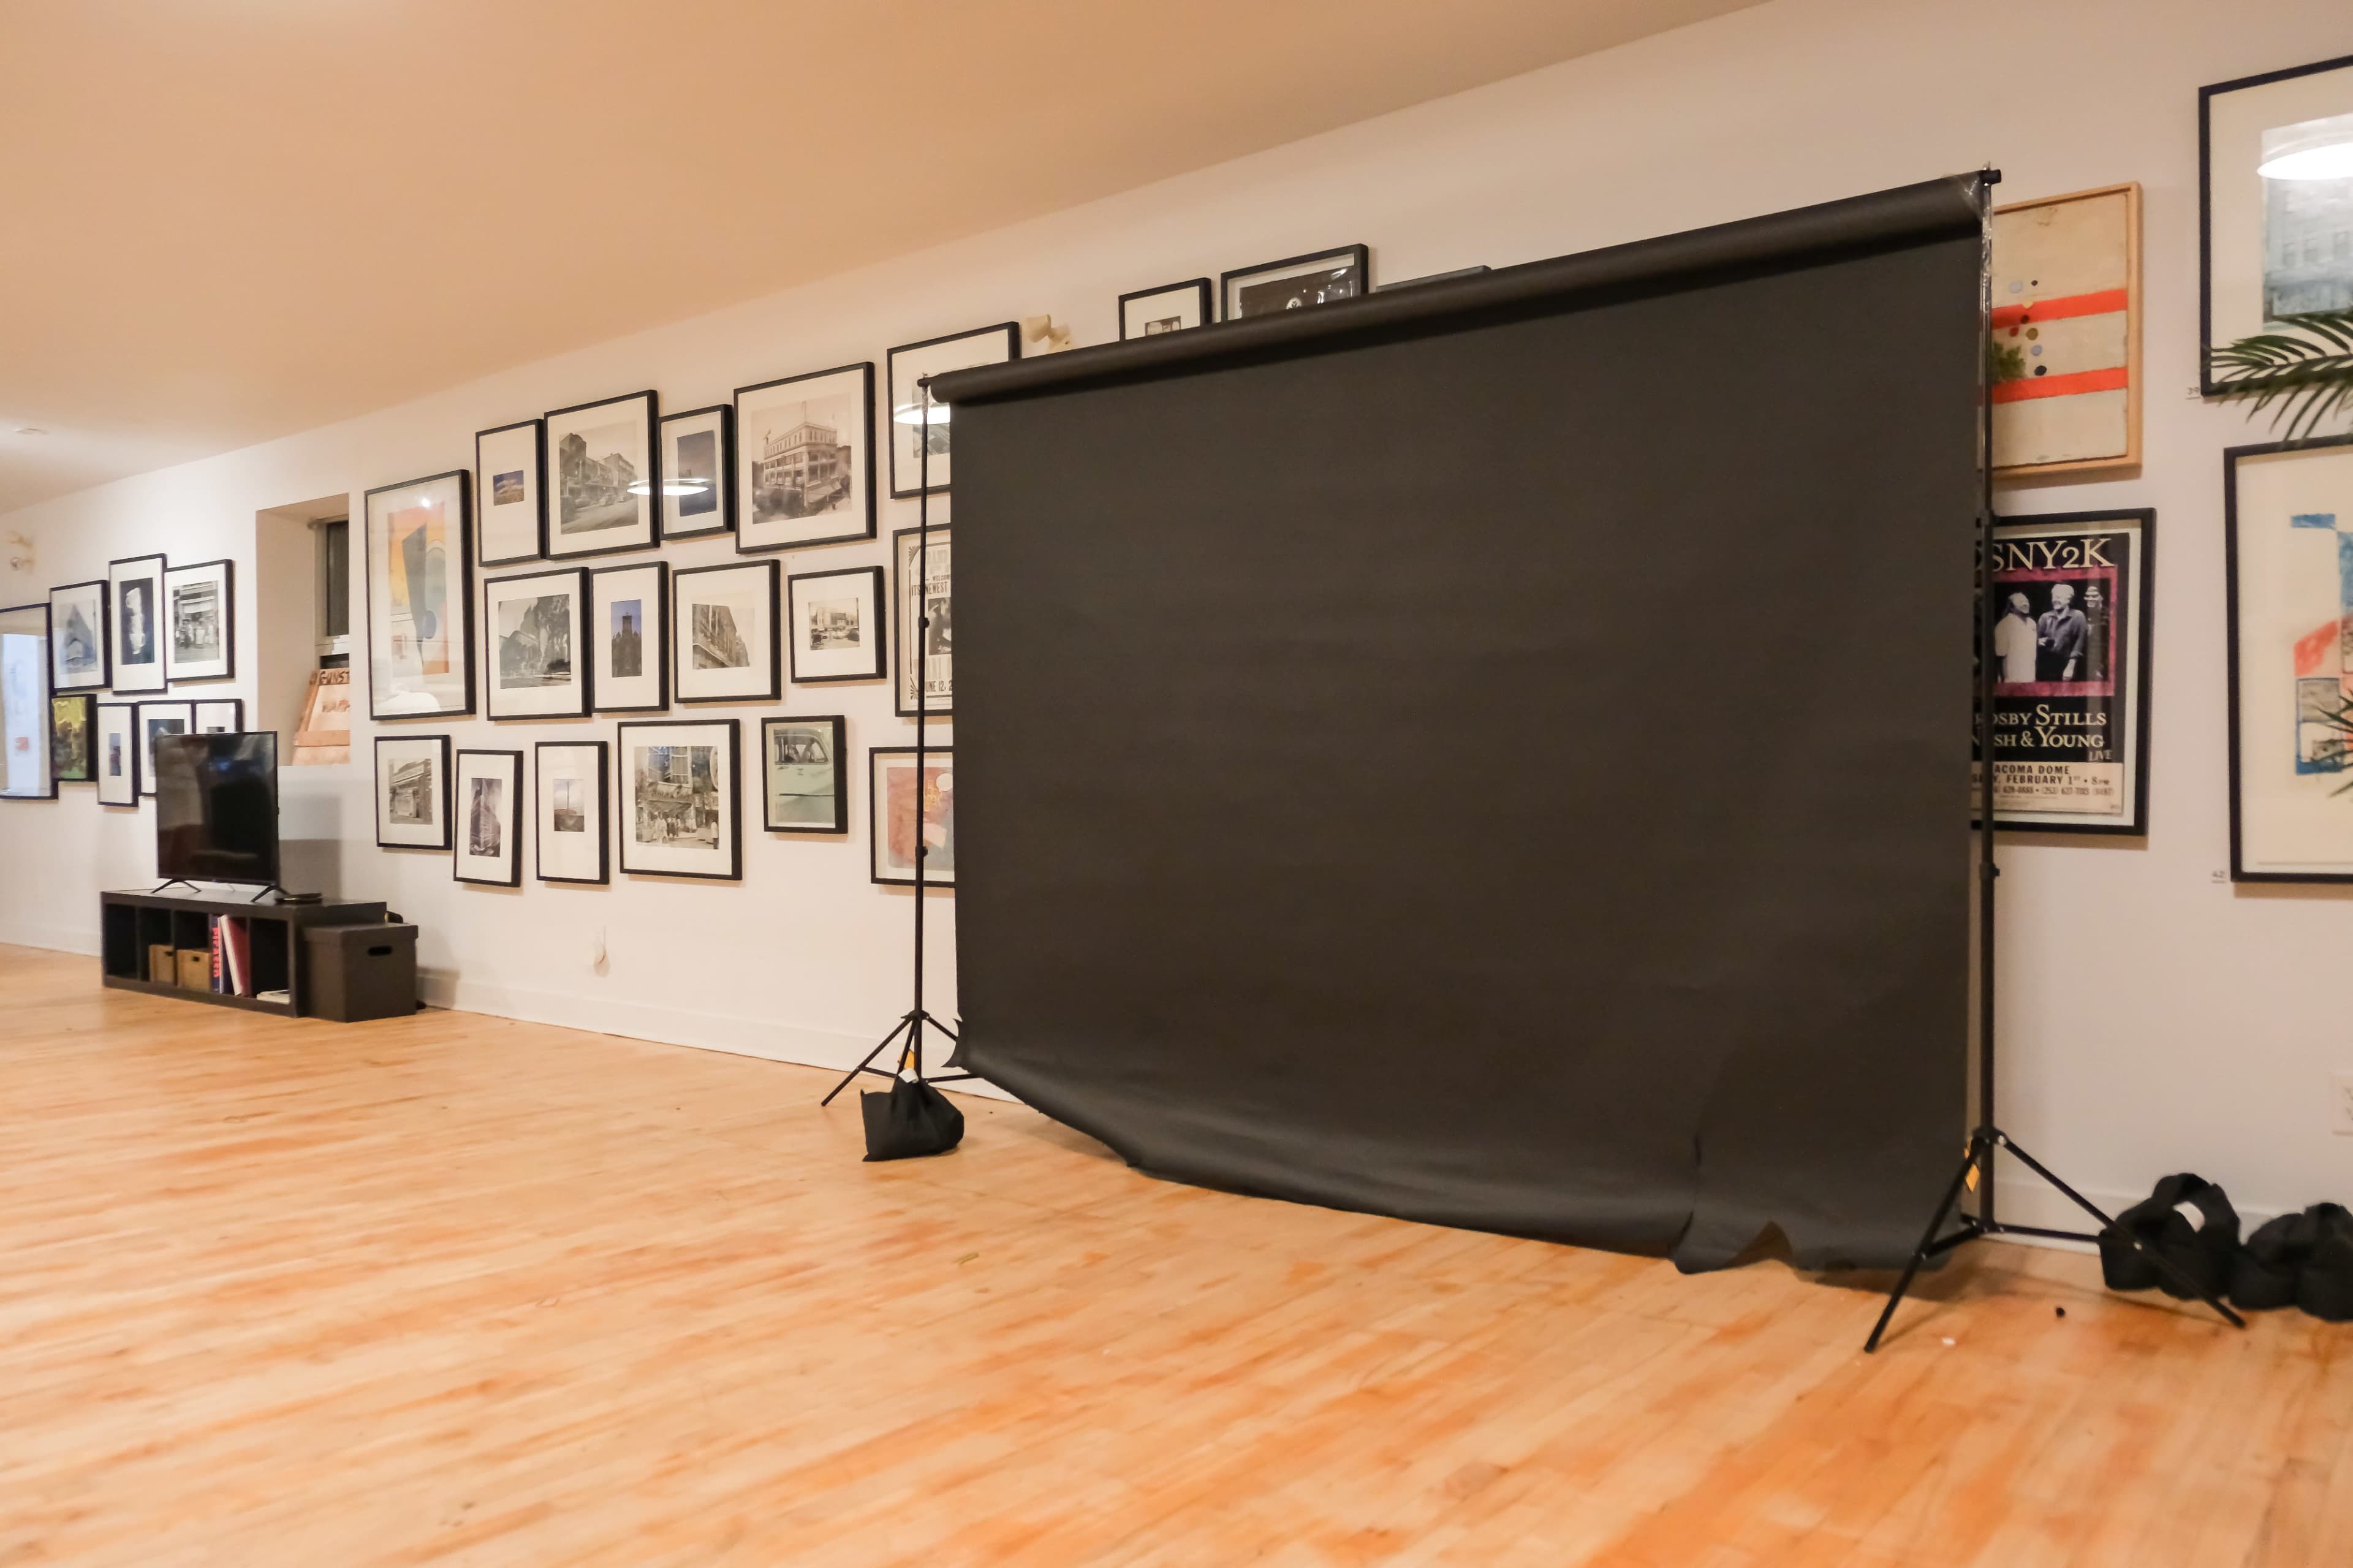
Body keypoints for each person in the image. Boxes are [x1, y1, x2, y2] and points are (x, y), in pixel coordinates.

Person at [2037, 583, 2087, 682]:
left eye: (2059, 597)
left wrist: (2071, 667)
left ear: (2069, 600)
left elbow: (2080, 642)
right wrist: (2039, 642)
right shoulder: (2045, 617)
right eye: (2054, 597)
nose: (2055, 600)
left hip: (2068, 665)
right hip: (2047, 666)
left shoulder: (2078, 616)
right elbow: (2035, 639)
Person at [1994, 591, 2037, 684]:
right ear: (2012, 608)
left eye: (2026, 601)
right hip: (2012, 680)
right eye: (2020, 602)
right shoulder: (2004, 625)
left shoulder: (2032, 624)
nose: (2025, 604)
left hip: (2031, 678)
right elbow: (2000, 655)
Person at [2080, 581, 2110, 682]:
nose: (2091, 599)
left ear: (2102, 597)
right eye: (2088, 596)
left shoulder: (2109, 615)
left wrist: (2101, 668)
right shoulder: (2083, 615)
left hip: (2102, 665)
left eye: (2094, 596)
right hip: (2086, 663)